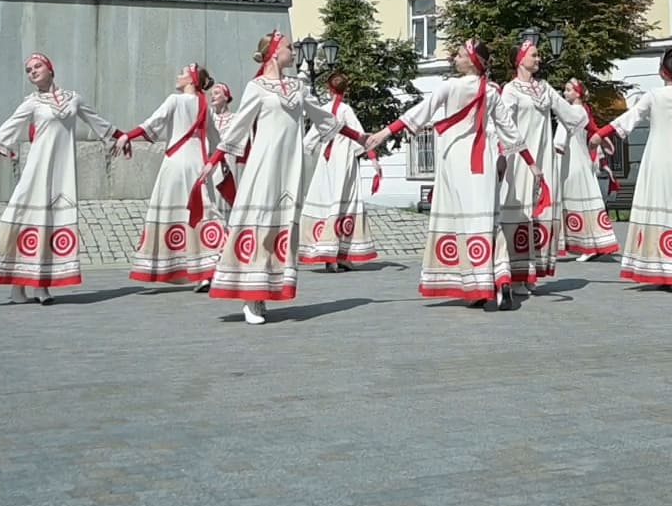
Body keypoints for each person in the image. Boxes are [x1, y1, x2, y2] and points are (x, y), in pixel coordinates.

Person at [203, 32, 364, 325]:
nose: (294, 51)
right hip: (264, 166)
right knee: (261, 224)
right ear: (275, 52)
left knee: (282, 227)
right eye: (290, 47)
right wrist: (214, 159)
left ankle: (265, 290)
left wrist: (360, 137)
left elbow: (324, 119)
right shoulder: (257, 87)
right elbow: (238, 128)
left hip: (290, 168)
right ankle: (251, 297)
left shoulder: (298, 87)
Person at [365, 39, 530, 311]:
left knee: (460, 223)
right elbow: (510, 131)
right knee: (489, 220)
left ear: (471, 61)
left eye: (460, 54)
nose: (454, 57)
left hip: (455, 162)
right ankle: (500, 280)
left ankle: (475, 286)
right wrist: (532, 164)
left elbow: (420, 111)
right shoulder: (491, 92)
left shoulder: (450, 87)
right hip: (483, 164)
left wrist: (384, 133)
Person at [0, 53, 119, 304]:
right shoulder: (32, 103)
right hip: (36, 171)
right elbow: (6, 131)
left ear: (50, 69)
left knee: (51, 222)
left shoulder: (73, 99)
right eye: (28, 70)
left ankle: (39, 286)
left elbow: (99, 123)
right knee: (26, 221)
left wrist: (124, 137)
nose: (32, 71)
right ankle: (19, 287)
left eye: (37, 66)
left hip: (61, 172)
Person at [591, 50, 672, 291]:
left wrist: (601, 133)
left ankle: (665, 270)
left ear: (663, 71)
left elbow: (631, 117)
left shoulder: (654, 96)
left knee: (660, 213)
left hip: (658, 161)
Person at [118, 64, 223, 291]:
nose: (178, 76)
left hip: (175, 164)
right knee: (201, 214)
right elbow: (217, 141)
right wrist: (213, 163)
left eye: (183, 73)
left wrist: (127, 135)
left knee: (173, 213)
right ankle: (205, 270)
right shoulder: (205, 105)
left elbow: (151, 123)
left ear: (192, 79)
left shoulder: (175, 101)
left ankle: (172, 265)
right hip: (198, 165)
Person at [497, 38, 576, 288]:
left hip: (544, 159)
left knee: (539, 211)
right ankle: (515, 274)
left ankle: (530, 270)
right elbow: (503, 124)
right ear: (520, 59)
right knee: (519, 209)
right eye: (534, 55)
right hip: (520, 160)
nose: (539, 58)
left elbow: (569, 113)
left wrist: (598, 131)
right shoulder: (510, 90)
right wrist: (499, 154)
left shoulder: (544, 88)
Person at [298, 71, 383, 271]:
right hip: (343, 161)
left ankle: (328, 253)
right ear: (346, 89)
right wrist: (373, 159)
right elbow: (362, 136)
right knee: (344, 203)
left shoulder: (325, 109)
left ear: (329, 89)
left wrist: (302, 152)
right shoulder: (345, 110)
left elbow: (310, 137)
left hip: (326, 162)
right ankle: (340, 254)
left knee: (326, 201)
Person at [552, 79, 620, 261]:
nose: (565, 93)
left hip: (572, 159)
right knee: (585, 200)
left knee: (578, 200)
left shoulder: (574, 111)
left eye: (568, 90)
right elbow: (592, 129)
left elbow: (562, 136)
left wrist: (556, 148)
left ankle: (588, 246)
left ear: (578, 93)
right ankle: (590, 244)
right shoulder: (584, 111)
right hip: (578, 158)